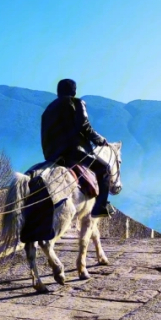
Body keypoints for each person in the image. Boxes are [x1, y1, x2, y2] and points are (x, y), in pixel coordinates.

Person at [40, 78, 113, 217]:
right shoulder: (77, 103)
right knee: (104, 170)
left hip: (52, 155)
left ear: (58, 91)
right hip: (73, 151)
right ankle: (100, 207)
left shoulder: (47, 110)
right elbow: (84, 126)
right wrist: (100, 139)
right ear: (74, 90)